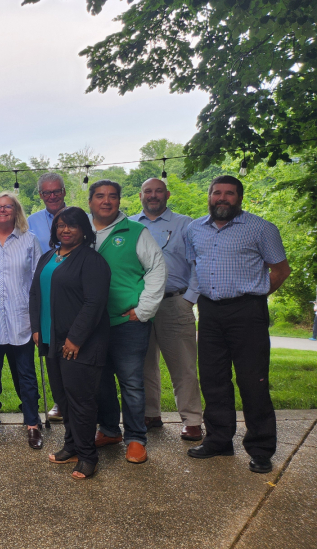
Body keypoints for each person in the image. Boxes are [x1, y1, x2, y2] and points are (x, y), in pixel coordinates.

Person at [185, 175, 290, 474]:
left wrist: (256, 296)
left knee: (252, 381)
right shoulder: (195, 229)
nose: (222, 198)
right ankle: (219, 440)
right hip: (209, 313)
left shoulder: (261, 228)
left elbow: (281, 270)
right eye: (217, 192)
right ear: (209, 196)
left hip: (248, 312)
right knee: (213, 379)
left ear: (239, 197)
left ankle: (260, 449)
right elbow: (196, 266)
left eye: (229, 193)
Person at [88, 179, 166, 465]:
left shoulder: (136, 232)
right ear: (90, 201)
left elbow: (156, 270)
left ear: (120, 201)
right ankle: (109, 430)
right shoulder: (81, 232)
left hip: (127, 322)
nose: (106, 201)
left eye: (112, 196)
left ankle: (136, 438)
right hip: (92, 325)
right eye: (99, 196)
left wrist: (143, 310)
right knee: (100, 381)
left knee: (131, 382)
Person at [29, 207, 111, 480]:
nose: (65, 230)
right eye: (60, 225)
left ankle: (88, 457)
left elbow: (94, 303)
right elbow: (35, 294)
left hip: (80, 344)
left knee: (81, 401)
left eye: (72, 226)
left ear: (83, 230)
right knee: (63, 399)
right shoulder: (48, 257)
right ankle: (72, 445)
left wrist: (75, 339)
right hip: (52, 342)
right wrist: (37, 328)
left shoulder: (92, 260)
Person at [129, 178, 203, 441]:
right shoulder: (131, 225)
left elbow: (198, 263)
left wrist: (189, 299)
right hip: (141, 304)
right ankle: (150, 413)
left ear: (167, 194)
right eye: (148, 191)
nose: (153, 195)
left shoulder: (185, 224)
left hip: (175, 302)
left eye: (158, 191)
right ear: (140, 195)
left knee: (182, 364)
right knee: (144, 363)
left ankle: (192, 419)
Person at [0, 191, 44, 449]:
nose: (2, 211)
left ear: (16, 211)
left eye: (8, 207)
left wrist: (38, 323)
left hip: (21, 321)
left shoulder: (29, 241)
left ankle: (32, 424)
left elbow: (37, 283)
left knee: (26, 376)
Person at [27, 172, 68, 423]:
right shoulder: (31, 221)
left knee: (75, 346)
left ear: (64, 191)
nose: (52, 196)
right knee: (51, 347)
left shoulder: (80, 217)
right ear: (40, 195)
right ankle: (60, 401)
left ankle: (82, 399)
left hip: (73, 290)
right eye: (46, 192)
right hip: (45, 292)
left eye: (56, 191)